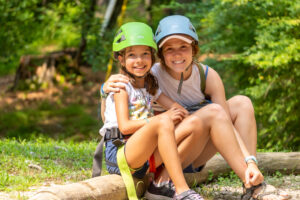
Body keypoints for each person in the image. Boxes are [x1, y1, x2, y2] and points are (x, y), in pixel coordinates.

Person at [100, 16, 290, 200]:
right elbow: (115, 119)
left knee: (240, 103)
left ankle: (251, 177)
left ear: (194, 49)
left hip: (188, 144)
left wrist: (250, 161)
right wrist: (103, 90)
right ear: (160, 54)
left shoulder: (203, 76)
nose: (177, 54)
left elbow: (223, 122)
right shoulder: (150, 74)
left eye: (183, 47)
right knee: (207, 113)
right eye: (169, 49)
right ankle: (165, 181)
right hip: (152, 148)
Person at [101, 21, 204, 200]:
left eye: (145, 54)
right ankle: (182, 190)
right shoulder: (121, 88)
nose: (139, 60)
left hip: (143, 154)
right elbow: (124, 127)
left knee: (192, 123)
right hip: (121, 152)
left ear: (152, 57)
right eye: (132, 55)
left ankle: (161, 184)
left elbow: (175, 108)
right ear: (121, 59)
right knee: (163, 120)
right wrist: (162, 119)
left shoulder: (149, 85)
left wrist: (182, 116)